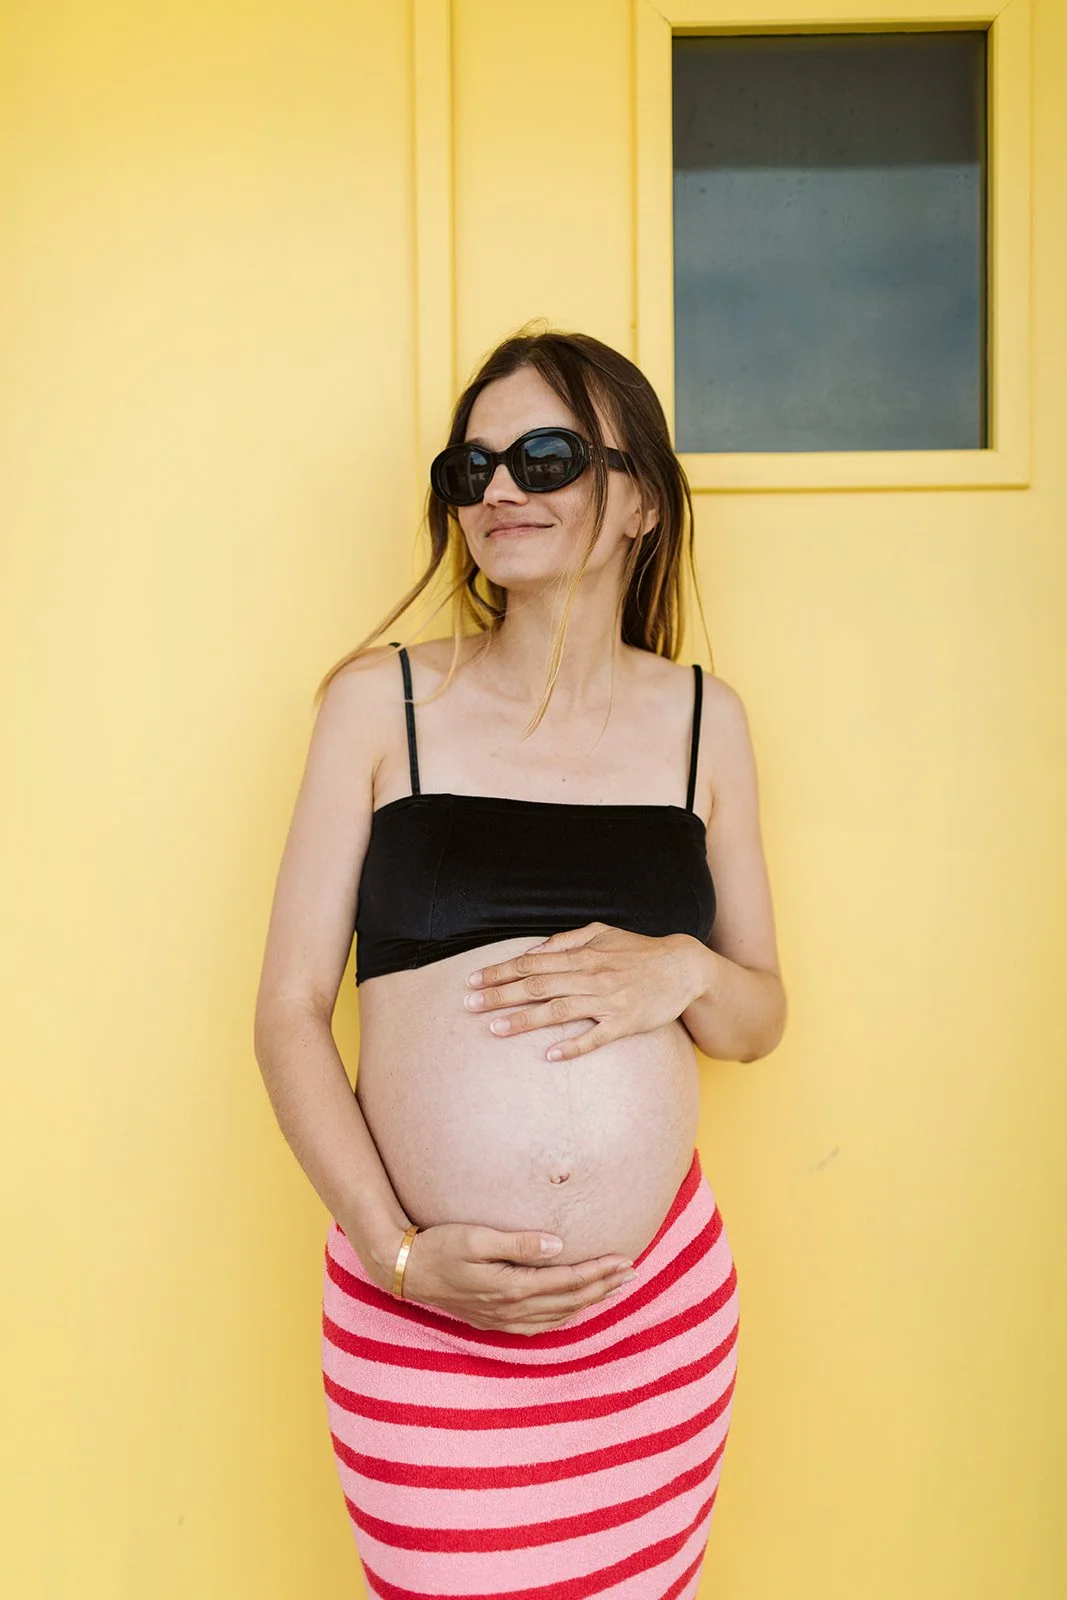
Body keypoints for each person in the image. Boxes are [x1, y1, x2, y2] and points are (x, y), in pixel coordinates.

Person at [254, 327, 786, 1599]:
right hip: (420, 1310)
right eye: (470, 465)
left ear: (638, 500)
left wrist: (684, 972)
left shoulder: (704, 721)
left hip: (653, 1312)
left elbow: (758, 1010)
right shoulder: (378, 706)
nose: (499, 491)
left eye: (542, 458)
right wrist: (395, 1254)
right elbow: (284, 1013)